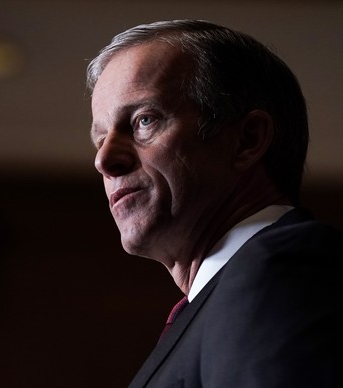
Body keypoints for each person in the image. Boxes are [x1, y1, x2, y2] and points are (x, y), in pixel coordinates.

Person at [86, 19, 343, 387]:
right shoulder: (224, 294)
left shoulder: (278, 269)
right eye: (100, 139)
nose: (105, 159)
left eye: (144, 120)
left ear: (247, 140)